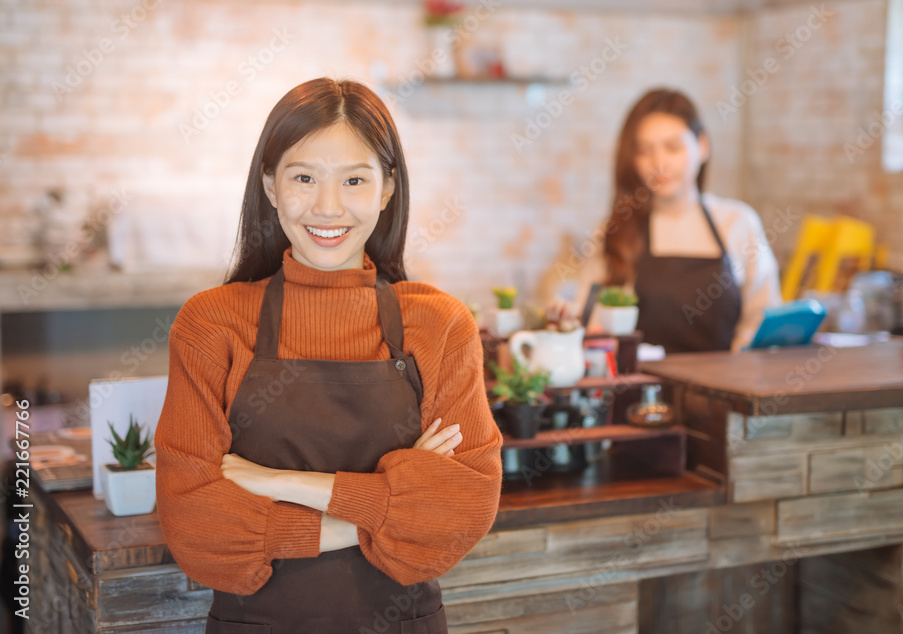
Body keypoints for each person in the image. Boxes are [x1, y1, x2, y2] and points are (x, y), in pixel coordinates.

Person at [154, 78, 502, 633]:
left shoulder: (438, 326)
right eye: (303, 177)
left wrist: (277, 483)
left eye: (355, 180)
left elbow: (462, 512)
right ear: (270, 184)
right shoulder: (211, 323)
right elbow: (194, 525)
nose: (328, 206)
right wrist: (386, 508)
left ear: (388, 188)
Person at [549, 88, 781, 353]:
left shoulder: (739, 223)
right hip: (643, 393)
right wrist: (565, 325)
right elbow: (592, 327)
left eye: (672, 148)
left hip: (729, 389)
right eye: (645, 151)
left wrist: (733, 373)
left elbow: (762, 319)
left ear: (702, 146)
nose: (659, 163)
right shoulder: (617, 231)